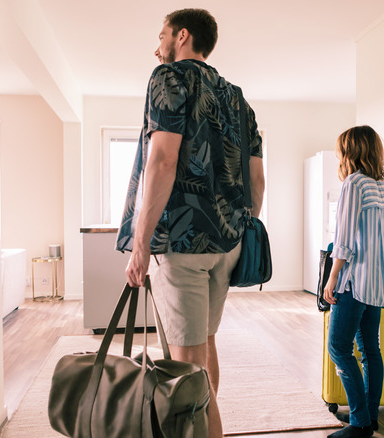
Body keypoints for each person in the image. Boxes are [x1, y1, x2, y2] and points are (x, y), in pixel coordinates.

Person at [116, 8, 264, 438]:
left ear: (182, 37)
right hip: (227, 243)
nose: (156, 46)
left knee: (185, 366)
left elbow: (161, 160)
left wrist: (141, 242)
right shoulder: (238, 97)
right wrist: (241, 227)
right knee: (204, 344)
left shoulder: (169, 78)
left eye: (160, 35)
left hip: (181, 242)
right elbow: (257, 178)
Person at [323, 126, 384, 438]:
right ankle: (371, 416)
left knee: (338, 348)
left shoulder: (354, 184)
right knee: (370, 350)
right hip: (377, 285)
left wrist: (332, 277)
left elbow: (345, 239)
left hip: (352, 282)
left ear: (350, 152)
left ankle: (360, 423)